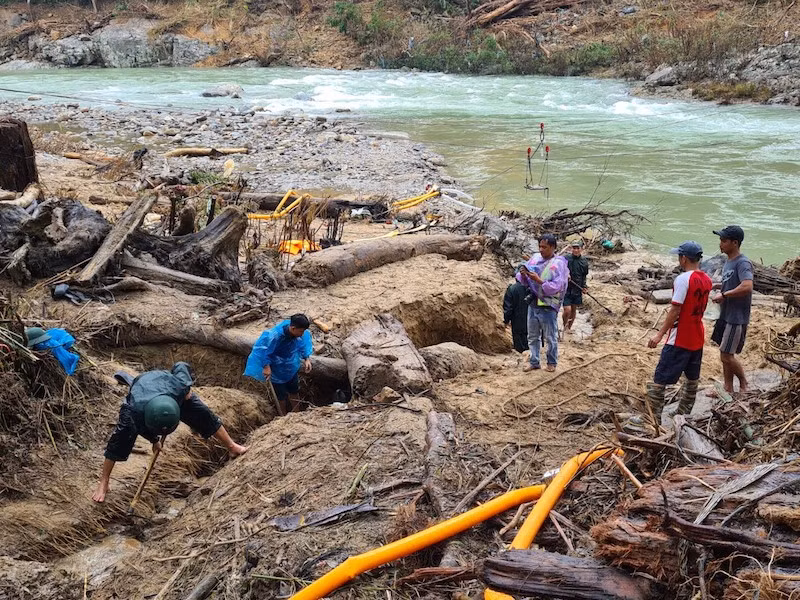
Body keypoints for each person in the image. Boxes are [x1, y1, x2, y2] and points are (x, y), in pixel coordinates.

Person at [92, 362, 248, 503]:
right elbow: (140, 428)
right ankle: (104, 481)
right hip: (143, 387)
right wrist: (154, 440)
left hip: (169, 391)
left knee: (204, 414)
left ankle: (232, 446)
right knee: (120, 438)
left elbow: (181, 365)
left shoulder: (181, 386)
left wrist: (187, 390)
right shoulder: (134, 410)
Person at [646, 241, 712, 423]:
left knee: (660, 379)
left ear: (683, 259)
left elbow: (675, 310)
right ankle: (684, 415)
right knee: (692, 380)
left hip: (680, 337)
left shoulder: (683, 280)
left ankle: (653, 420)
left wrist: (659, 334)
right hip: (697, 335)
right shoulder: (707, 279)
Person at [710, 225, 753, 393]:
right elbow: (734, 282)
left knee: (726, 355)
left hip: (736, 316)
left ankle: (744, 382)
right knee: (725, 355)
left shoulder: (742, 262)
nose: (720, 244)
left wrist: (725, 295)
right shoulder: (729, 261)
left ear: (735, 243)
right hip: (726, 314)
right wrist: (720, 285)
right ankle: (728, 387)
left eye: (724, 241)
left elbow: (747, 286)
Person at [517, 234, 568, 372]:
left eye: (544, 247)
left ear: (552, 247)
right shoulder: (535, 258)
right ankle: (534, 361)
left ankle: (552, 362)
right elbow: (522, 278)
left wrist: (540, 281)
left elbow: (558, 286)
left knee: (550, 336)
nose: (541, 249)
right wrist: (523, 274)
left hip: (548, 304)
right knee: (532, 335)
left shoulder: (559, 264)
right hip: (533, 301)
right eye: (539, 246)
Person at [244, 313, 313, 414]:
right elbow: (263, 351)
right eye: (301, 331)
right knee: (281, 396)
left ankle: (297, 414)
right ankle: (283, 415)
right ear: (293, 328)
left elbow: (302, 343)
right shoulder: (274, 336)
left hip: (290, 367)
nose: (302, 333)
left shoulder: (299, 333)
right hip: (277, 369)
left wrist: (306, 358)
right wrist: (266, 366)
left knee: (294, 391)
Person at [562, 240, 590, 332]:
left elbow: (584, 276)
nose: (576, 250)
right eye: (574, 248)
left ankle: (569, 328)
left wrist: (584, 287)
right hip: (566, 288)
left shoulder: (584, 262)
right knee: (567, 310)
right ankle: (564, 326)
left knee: (573, 309)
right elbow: (559, 270)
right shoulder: (566, 259)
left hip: (577, 288)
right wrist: (566, 275)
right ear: (571, 249)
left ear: (581, 249)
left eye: (578, 248)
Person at [503, 266, 529, 354]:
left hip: (516, 319)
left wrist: (506, 320)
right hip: (531, 318)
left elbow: (508, 307)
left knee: (519, 341)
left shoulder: (512, 289)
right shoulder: (532, 288)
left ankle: (521, 355)